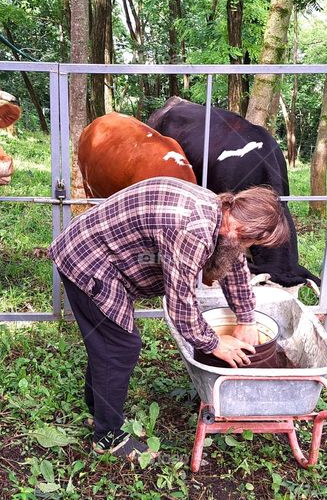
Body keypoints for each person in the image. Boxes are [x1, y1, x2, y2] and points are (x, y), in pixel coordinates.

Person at [49, 176, 290, 461]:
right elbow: (181, 302)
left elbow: (233, 265)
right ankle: (107, 437)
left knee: (108, 345)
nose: (247, 246)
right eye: (250, 239)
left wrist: (247, 319)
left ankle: (98, 412)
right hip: (87, 258)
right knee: (118, 348)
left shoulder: (225, 217)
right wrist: (214, 344)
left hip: (103, 251)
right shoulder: (194, 229)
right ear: (242, 225)